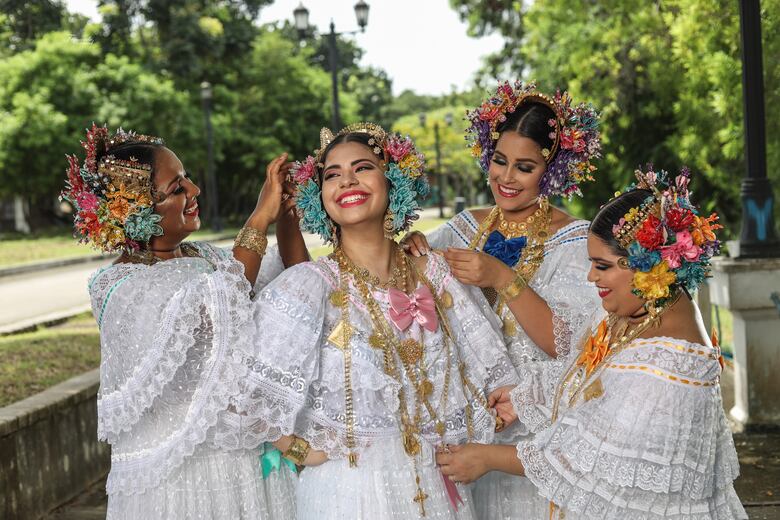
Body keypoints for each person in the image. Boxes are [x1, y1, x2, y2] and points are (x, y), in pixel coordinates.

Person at [231, 123, 519, 519]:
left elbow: (489, 369)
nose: (346, 180)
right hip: (350, 494)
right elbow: (242, 386)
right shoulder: (307, 287)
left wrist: (500, 403)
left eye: (363, 167)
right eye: (332, 174)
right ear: (320, 197)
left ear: (393, 181)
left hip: (438, 488)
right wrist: (297, 448)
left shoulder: (436, 273)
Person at [436, 166, 748, 519]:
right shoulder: (640, 310)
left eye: (602, 266)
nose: (591, 276)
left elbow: (592, 456)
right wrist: (525, 398)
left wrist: (487, 457)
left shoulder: (669, 366)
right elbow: (590, 372)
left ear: (647, 267)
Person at [64, 125, 304, 519]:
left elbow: (295, 282)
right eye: (177, 189)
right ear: (137, 210)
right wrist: (260, 215)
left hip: (246, 467)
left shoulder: (204, 257)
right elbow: (222, 300)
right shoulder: (119, 285)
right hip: (184, 482)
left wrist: (286, 213)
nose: (194, 191)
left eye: (187, 178)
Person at [402, 80, 603, 519]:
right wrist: (412, 248)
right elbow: (402, 288)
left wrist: (502, 277)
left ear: (551, 172)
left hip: (539, 434)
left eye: (525, 167)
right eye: (499, 160)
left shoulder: (574, 241)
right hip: (468, 431)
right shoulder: (459, 228)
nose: (506, 178)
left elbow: (573, 346)